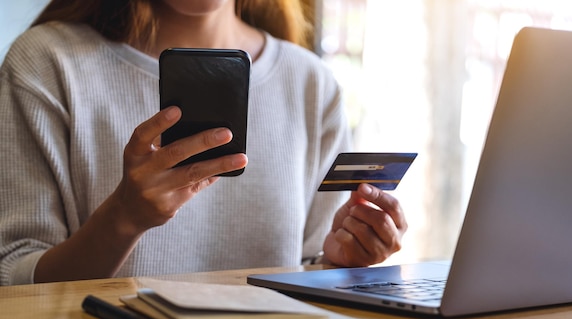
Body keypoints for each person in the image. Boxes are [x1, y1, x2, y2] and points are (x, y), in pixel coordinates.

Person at [0, 0, 408, 285]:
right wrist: (123, 219)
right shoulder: (46, 63)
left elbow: (309, 267)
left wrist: (343, 263)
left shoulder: (310, 82)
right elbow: (16, 279)